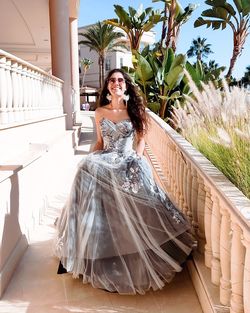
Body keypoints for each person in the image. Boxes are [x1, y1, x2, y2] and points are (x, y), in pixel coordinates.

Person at [55, 68, 196, 295]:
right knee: (85, 172)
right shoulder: (99, 111)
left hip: (128, 159)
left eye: (120, 80)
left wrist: (136, 160)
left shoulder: (135, 111)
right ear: (108, 86)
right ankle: (78, 252)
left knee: (146, 194)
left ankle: (166, 244)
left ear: (126, 85)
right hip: (106, 158)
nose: (116, 83)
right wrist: (89, 158)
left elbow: (141, 140)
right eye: (112, 80)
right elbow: (100, 142)